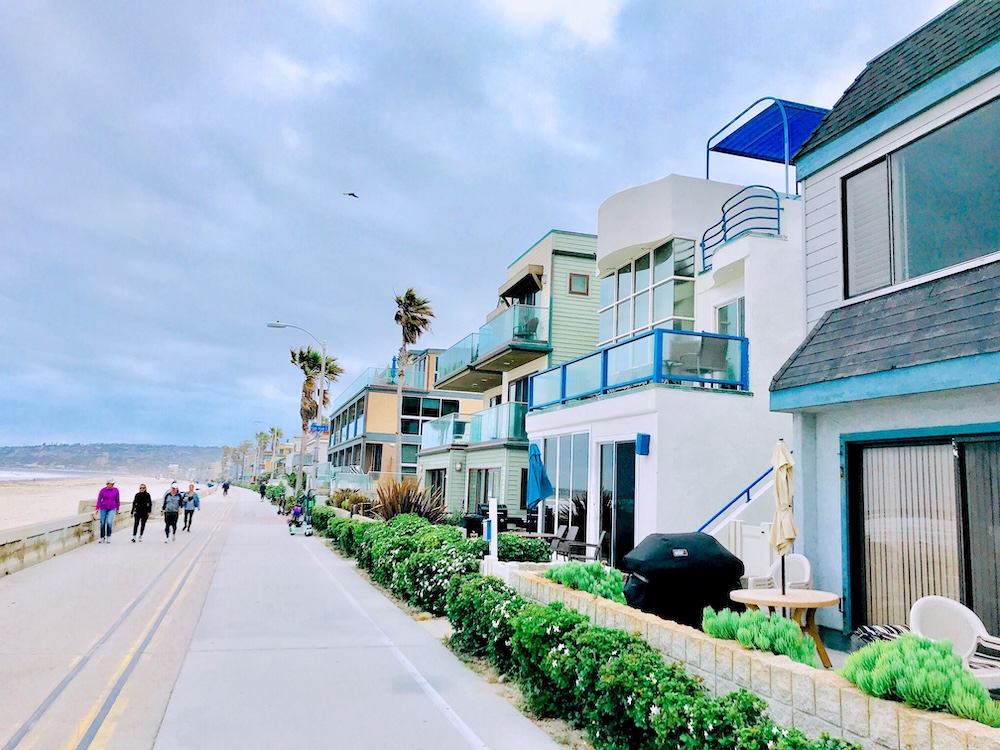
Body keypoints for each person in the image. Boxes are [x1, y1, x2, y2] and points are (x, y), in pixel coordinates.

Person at [96, 479, 120, 544]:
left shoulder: (116, 490)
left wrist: (117, 508)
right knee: (102, 522)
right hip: (103, 508)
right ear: (107, 484)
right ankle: (102, 537)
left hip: (112, 508)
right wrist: (97, 508)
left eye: (113, 484)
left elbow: (117, 500)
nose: (112, 485)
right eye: (111, 484)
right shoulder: (102, 490)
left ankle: (108, 536)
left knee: (109, 522)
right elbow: (99, 499)